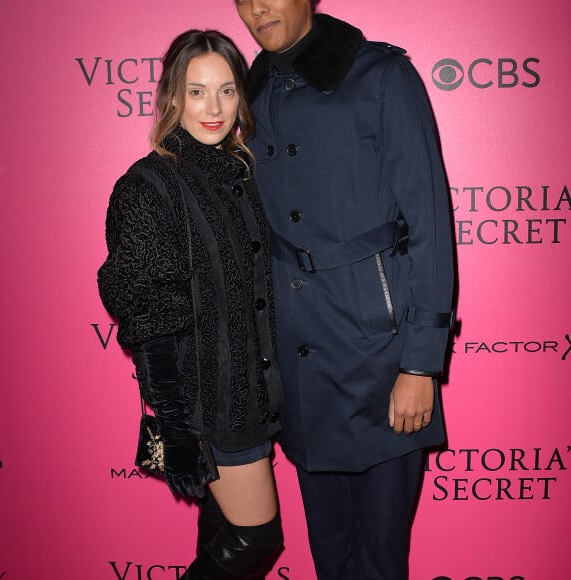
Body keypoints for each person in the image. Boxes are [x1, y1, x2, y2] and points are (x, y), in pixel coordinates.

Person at [234, 1, 456, 579]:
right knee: (330, 554)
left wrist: (420, 364)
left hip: (379, 357)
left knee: (380, 557)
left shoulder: (379, 74)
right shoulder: (247, 91)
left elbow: (430, 222)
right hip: (297, 367)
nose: (255, 7)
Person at [98, 29, 284, 579]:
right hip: (212, 403)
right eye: (197, 91)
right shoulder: (148, 186)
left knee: (222, 533)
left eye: (227, 91)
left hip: (255, 390)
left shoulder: (243, 174)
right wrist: (178, 427)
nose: (214, 108)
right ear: (172, 97)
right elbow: (151, 317)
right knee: (255, 539)